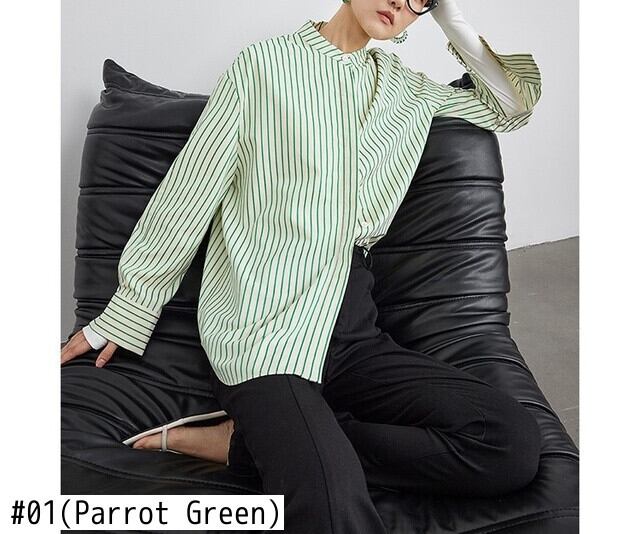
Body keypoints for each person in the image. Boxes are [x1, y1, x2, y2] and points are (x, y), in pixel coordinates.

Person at [61, 1, 543, 532]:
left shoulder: (409, 91)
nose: (400, 3)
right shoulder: (264, 65)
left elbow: (512, 106)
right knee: (332, 502)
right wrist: (129, 307)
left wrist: (450, 15)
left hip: (353, 334)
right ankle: (292, 446)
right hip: (263, 331)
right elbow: (191, 191)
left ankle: (245, 446)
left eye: (420, 1)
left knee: (510, 444)